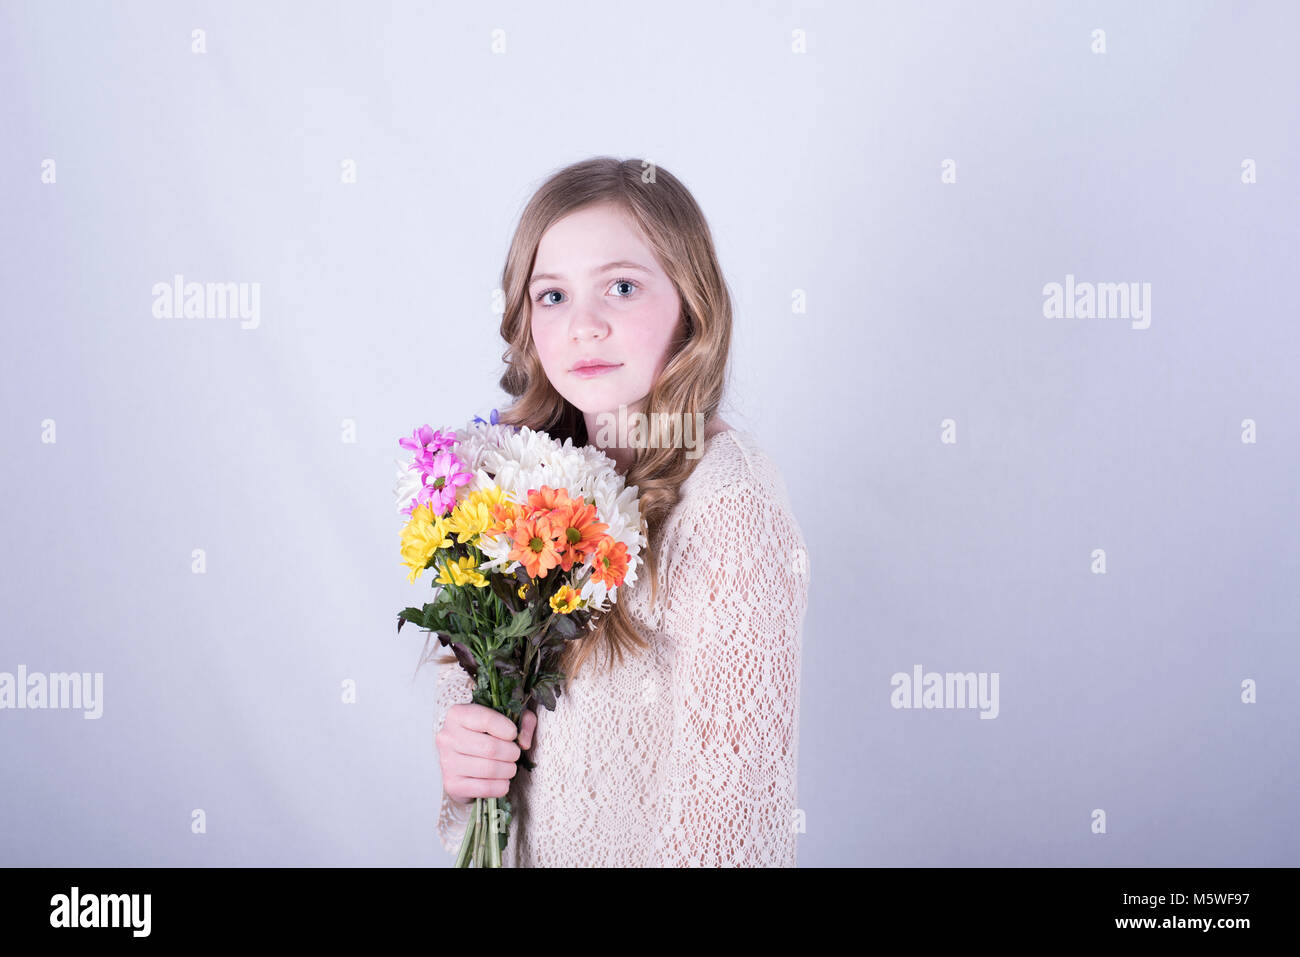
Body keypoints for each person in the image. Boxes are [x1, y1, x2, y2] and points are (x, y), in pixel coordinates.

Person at [432, 156, 811, 866]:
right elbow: (486, 800)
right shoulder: (513, 491)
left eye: (623, 287)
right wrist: (468, 769)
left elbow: (731, 833)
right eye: (552, 296)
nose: (584, 326)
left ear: (691, 305)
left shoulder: (729, 499)